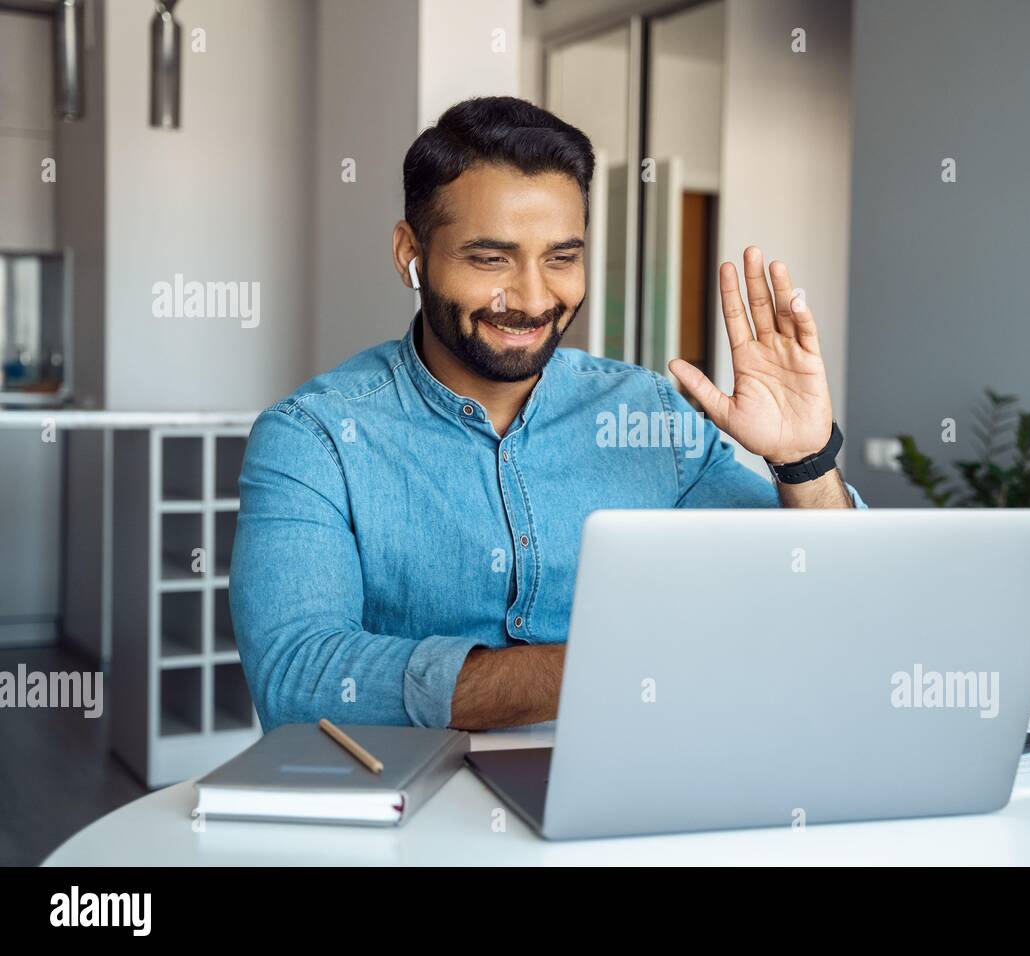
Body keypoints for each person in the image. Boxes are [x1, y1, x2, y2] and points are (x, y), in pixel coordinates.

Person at [230, 96, 865, 732]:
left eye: (561, 258)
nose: (533, 299)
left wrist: (803, 460)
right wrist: (610, 666)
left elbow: (829, 601)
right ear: (410, 253)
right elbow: (299, 677)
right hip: (406, 813)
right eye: (490, 258)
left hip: (632, 790)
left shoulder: (651, 417)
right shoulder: (315, 436)